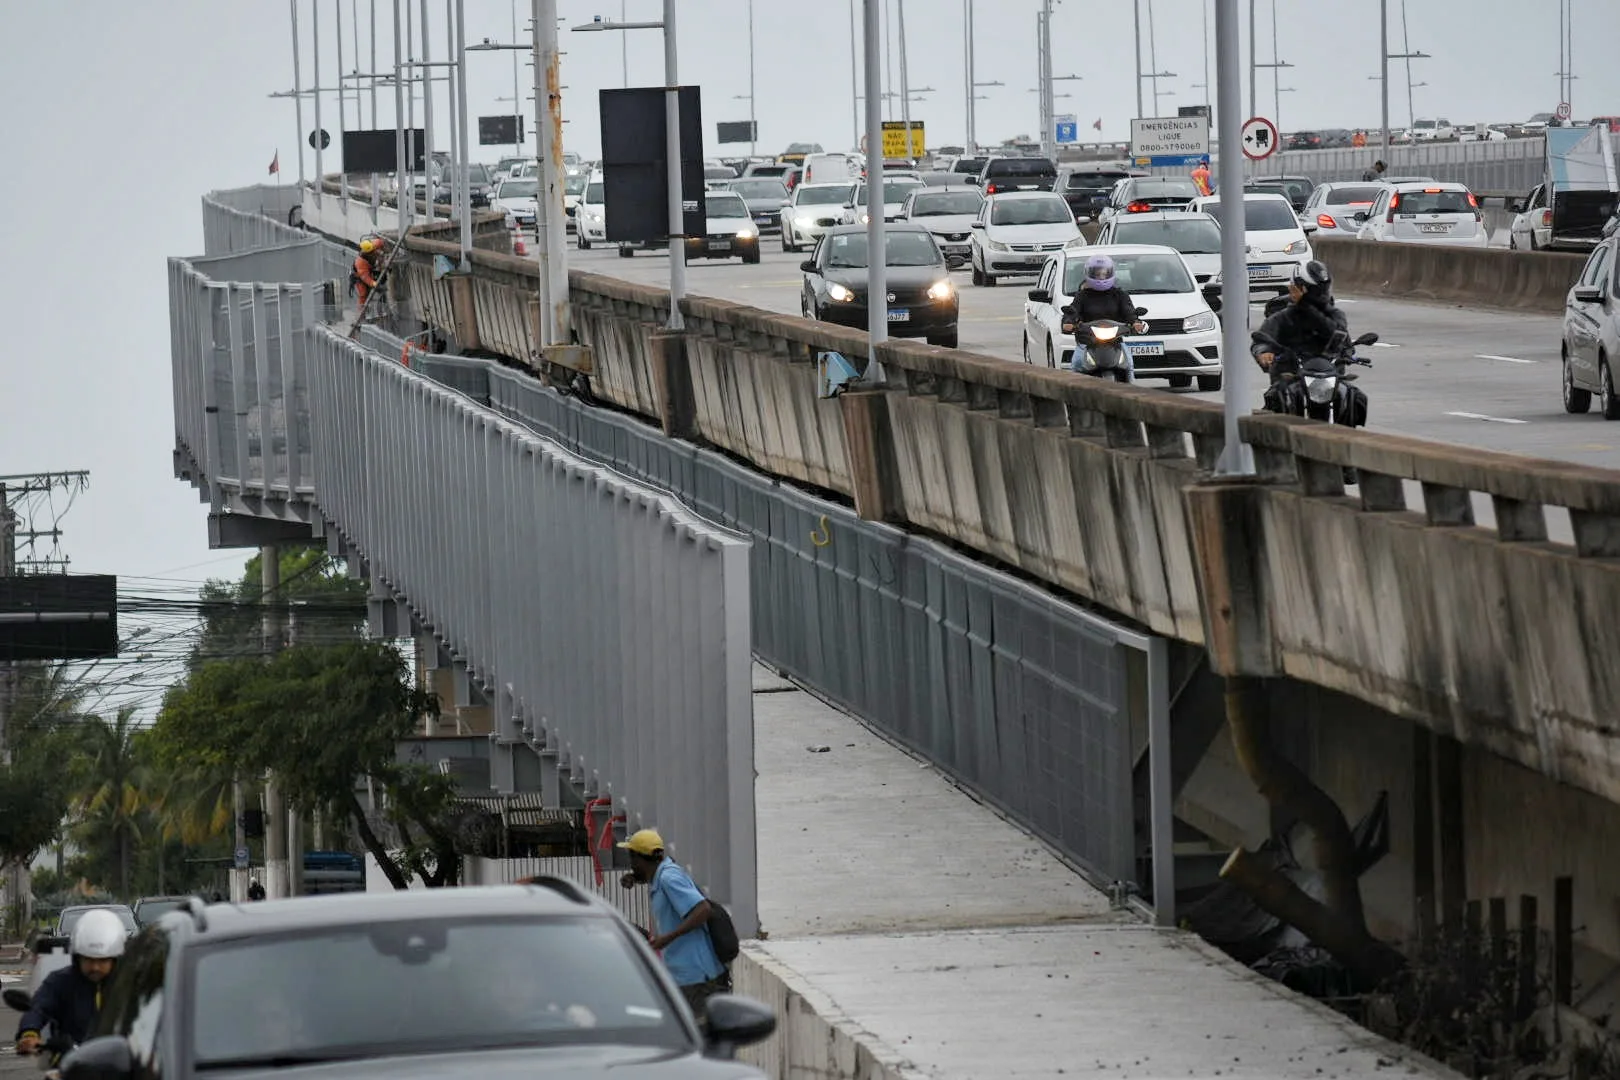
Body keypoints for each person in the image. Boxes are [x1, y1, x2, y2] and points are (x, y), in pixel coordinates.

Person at [615, 829, 728, 1026]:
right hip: (684, 976)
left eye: (632, 858)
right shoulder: (661, 875)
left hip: (697, 977)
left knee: (699, 1038)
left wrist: (668, 937)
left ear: (640, 859)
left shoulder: (669, 879)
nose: (631, 863)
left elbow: (703, 910)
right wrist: (635, 878)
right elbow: (654, 878)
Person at [14, 909, 125, 1057]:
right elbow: (39, 1008)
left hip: (123, 1061)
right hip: (71, 1060)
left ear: (116, 959)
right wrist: (29, 1033)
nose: (95, 967)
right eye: (88, 959)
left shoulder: (131, 984)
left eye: (102, 960)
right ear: (77, 958)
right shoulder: (61, 981)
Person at [1251, 260, 1350, 381]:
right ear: (1297, 288)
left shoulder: (1335, 315)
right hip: (1291, 378)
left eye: (1324, 290)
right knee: (1275, 395)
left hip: (1329, 378)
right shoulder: (1282, 318)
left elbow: (1339, 335)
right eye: (1316, 291)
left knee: (1356, 397)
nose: (1321, 295)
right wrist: (1264, 352)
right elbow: (1261, 339)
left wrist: (1347, 353)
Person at [1060, 255, 1149, 380]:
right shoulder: (1082, 296)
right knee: (1076, 364)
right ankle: (1071, 397)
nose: (1101, 277)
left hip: (1115, 343)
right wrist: (1069, 322)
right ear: (1089, 274)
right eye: (1097, 274)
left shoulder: (1119, 294)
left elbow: (1128, 311)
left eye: (1104, 273)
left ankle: (1131, 392)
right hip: (1087, 342)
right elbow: (1073, 311)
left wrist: (1135, 322)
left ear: (1111, 273)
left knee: (1129, 365)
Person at [352, 238, 383, 310]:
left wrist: (382, 244)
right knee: (363, 294)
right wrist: (374, 283)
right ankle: (361, 312)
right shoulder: (360, 262)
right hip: (359, 278)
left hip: (368, 271)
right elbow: (365, 277)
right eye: (370, 252)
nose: (373, 253)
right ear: (366, 252)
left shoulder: (372, 246)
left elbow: (379, 241)